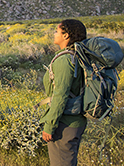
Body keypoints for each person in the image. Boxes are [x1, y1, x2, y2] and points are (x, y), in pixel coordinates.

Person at [40, 19, 88, 166]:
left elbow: (60, 96)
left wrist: (50, 126)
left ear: (66, 35)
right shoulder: (77, 56)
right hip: (74, 121)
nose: (54, 34)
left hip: (65, 124)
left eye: (57, 31)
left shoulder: (65, 60)